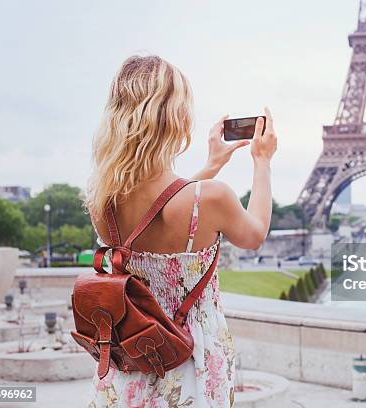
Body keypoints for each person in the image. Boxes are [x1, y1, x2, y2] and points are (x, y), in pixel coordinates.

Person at [83, 55, 277, 408]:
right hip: (190, 362)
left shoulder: (102, 200)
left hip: (127, 361)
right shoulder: (211, 199)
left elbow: (158, 209)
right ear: (177, 117)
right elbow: (254, 234)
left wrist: (211, 165)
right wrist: (261, 161)